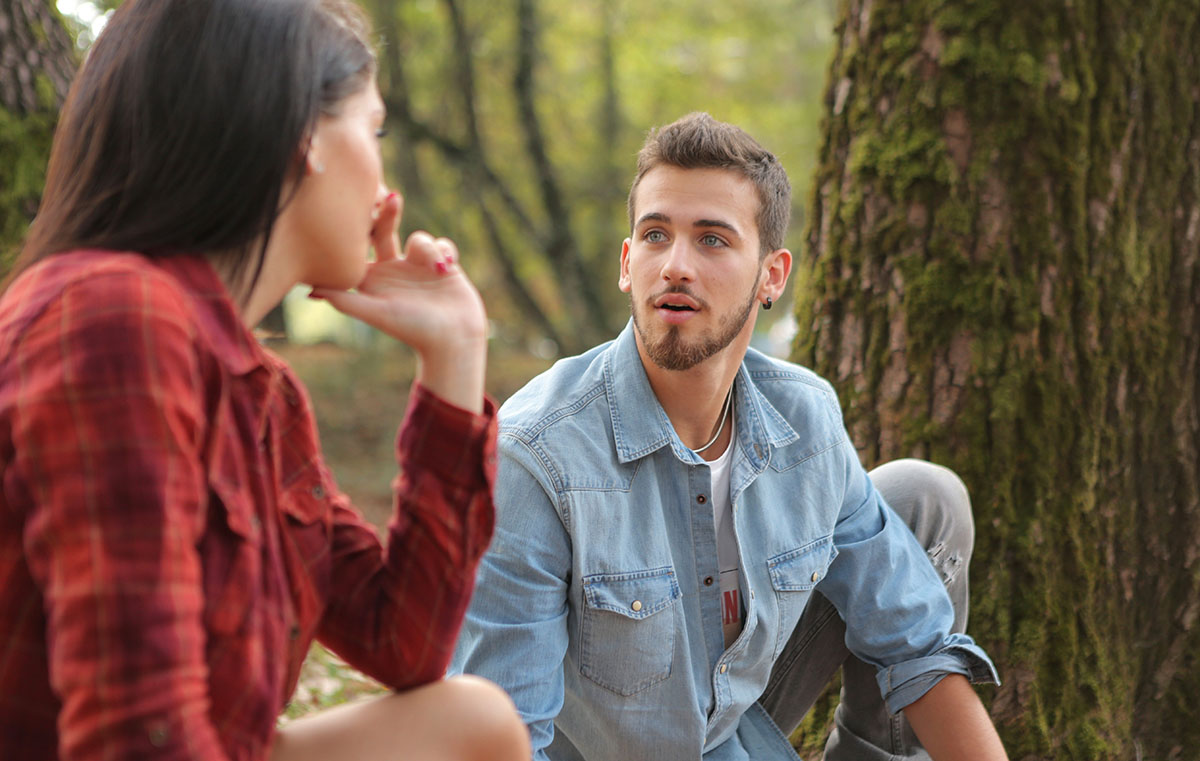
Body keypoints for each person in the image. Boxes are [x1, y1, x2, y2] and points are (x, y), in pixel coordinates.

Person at [0, 1, 529, 760]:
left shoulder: (254, 387)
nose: (386, 192)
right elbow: (136, 736)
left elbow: (402, 641)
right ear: (303, 136)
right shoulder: (111, 318)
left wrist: (455, 353)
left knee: (470, 723)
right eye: (372, 131)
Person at [449, 112, 1008, 761]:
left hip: (733, 718)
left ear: (772, 275)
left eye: (712, 240)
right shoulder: (534, 455)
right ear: (628, 262)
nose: (676, 265)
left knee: (922, 497)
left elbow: (915, 641)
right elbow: (501, 736)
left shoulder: (804, 418)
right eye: (656, 234)